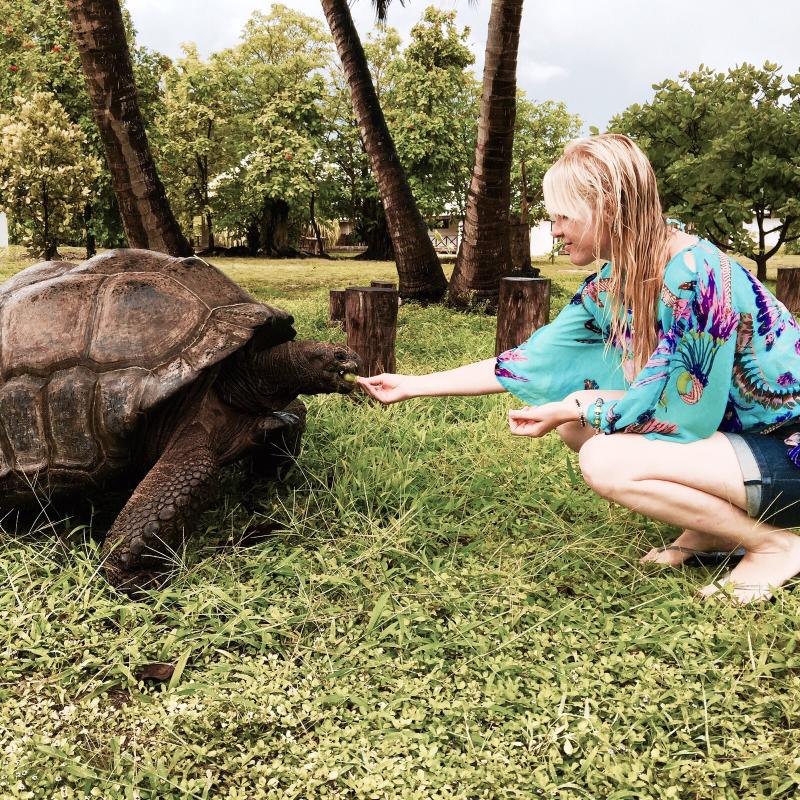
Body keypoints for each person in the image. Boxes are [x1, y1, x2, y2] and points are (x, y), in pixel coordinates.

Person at [358, 133, 800, 604]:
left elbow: (686, 414)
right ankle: (714, 532)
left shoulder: (698, 274)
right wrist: (413, 385)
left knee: (602, 455)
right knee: (576, 428)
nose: (555, 229)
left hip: (786, 450)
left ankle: (775, 546)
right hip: (742, 448)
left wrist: (583, 406)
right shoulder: (614, 281)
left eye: (563, 215)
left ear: (608, 207)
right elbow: (526, 361)